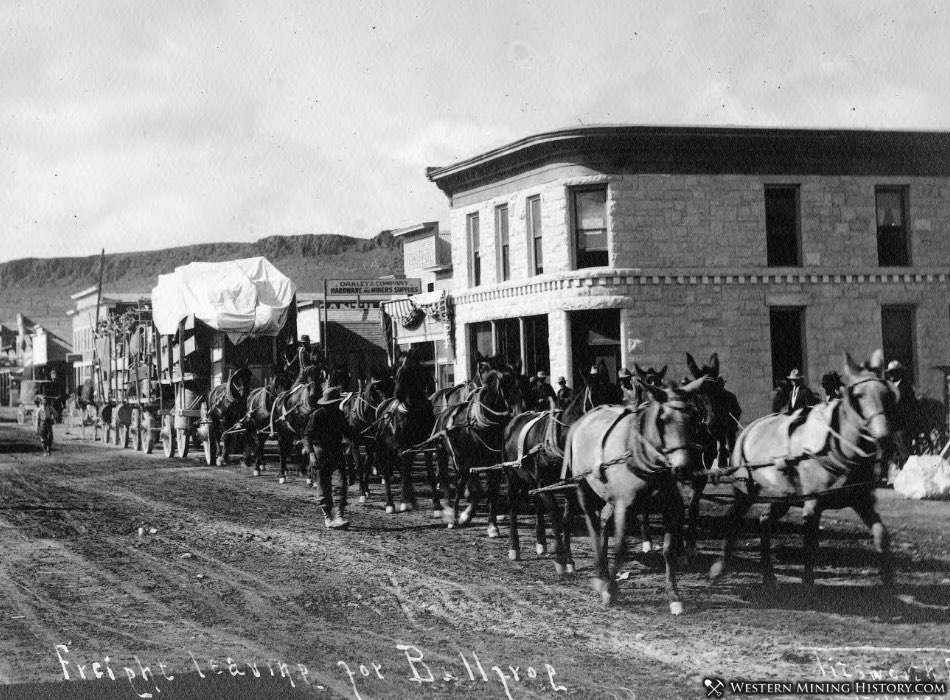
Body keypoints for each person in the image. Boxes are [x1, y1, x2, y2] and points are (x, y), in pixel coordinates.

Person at [302, 386, 359, 530]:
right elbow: (307, 437)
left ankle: (339, 516)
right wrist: (312, 455)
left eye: (334, 403)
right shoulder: (317, 415)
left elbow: (348, 432)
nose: (332, 406)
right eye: (330, 404)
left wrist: (358, 432)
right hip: (320, 453)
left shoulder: (339, 415)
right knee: (323, 485)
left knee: (341, 483)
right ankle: (328, 517)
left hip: (337, 452)